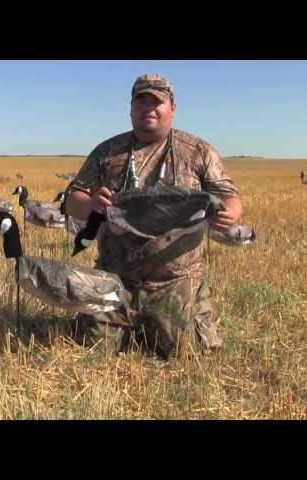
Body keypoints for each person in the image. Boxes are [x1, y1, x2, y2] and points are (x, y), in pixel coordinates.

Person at [65, 73, 243, 359]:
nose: (149, 108)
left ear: (172, 108)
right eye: (141, 102)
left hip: (175, 281)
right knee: (91, 347)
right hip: (115, 279)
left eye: (157, 102)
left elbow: (230, 197)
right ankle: (121, 322)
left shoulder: (197, 151)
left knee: (187, 353)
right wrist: (91, 206)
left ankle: (177, 316)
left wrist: (229, 213)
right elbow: (73, 199)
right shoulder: (107, 152)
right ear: (131, 109)